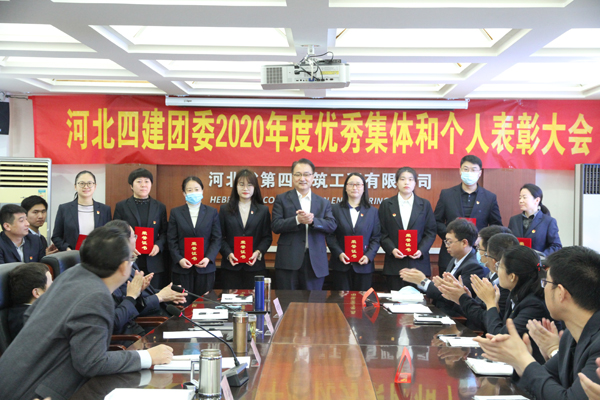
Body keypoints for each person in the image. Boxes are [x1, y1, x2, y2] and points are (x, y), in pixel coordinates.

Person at [0, 225, 173, 400]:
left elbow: (31, 316)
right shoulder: (96, 295)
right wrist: (147, 357)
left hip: (14, 381)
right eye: (131, 258)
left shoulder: (72, 274)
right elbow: (92, 363)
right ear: (123, 267)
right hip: (36, 393)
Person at [474, 246, 600, 400]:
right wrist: (520, 362)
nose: (543, 288)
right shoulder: (570, 335)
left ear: (561, 293)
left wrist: (524, 360)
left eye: (546, 282)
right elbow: (536, 387)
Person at [469, 245, 551, 362]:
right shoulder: (515, 294)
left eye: (499, 266)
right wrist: (495, 309)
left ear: (512, 276)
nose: (496, 270)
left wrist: (490, 303)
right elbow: (502, 328)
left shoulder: (534, 304)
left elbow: (500, 339)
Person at [106, 220, 187, 336]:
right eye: (134, 236)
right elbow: (129, 308)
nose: (136, 239)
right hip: (146, 327)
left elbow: (137, 298)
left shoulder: (130, 262)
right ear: (124, 241)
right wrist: (159, 297)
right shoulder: (113, 271)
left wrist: (168, 293)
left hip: (159, 318)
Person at [272, 158, 337, 290]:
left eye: (306, 174)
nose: (302, 178)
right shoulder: (282, 199)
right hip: (288, 261)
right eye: (298, 174)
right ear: (292, 177)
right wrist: (297, 220)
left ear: (313, 177)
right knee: (287, 300)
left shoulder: (323, 202)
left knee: (313, 301)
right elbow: (276, 225)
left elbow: (331, 225)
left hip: (315, 262)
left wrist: (313, 221)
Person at [434, 155, 502, 276]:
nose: (469, 173)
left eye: (473, 170)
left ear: (480, 173)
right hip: (449, 254)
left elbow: (496, 225)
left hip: (478, 255)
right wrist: (452, 238)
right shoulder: (447, 194)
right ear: (460, 171)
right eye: (466, 169)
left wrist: (482, 238)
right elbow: (436, 221)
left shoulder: (489, 197)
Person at [401, 218, 484, 317]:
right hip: (439, 311)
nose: (446, 246)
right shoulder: (454, 259)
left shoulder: (473, 266)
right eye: (446, 242)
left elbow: (451, 297)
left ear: (464, 243)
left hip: (454, 317)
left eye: (449, 242)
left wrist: (423, 281)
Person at [378, 167, 436, 290]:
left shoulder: (424, 205)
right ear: (396, 182)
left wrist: (421, 250)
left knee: (419, 300)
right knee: (394, 299)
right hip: (394, 264)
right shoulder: (387, 205)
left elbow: (430, 232)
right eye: (402, 179)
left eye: (410, 179)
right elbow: (381, 232)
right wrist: (392, 249)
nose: (406, 182)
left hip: (418, 264)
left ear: (415, 183)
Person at [114, 168, 168, 289]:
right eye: (139, 181)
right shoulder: (122, 206)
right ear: (131, 186)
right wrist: (128, 248)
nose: (143, 185)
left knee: (154, 294)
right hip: (130, 260)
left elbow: (165, 232)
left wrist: (158, 246)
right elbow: (116, 232)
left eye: (147, 181)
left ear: (151, 184)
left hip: (154, 260)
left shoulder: (160, 207)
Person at [327, 172, 381, 291]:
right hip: (341, 265)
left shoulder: (373, 212)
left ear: (364, 188)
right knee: (341, 300)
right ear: (345, 188)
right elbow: (330, 235)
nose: (354, 187)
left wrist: (368, 256)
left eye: (358, 184)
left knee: (362, 301)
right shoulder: (334, 209)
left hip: (364, 266)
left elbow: (376, 238)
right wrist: (339, 253)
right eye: (351, 184)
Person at [219, 169, 272, 290]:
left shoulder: (263, 210)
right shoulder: (225, 209)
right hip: (231, 267)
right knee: (231, 300)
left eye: (250, 184)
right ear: (236, 186)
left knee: (255, 300)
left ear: (255, 187)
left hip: (255, 266)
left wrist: (257, 253)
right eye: (241, 184)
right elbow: (219, 237)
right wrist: (228, 254)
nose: (245, 188)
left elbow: (267, 237)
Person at [168, 176, 221, 295]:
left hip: (205, 268)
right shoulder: (176, 212)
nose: (194, 193)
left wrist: (208, 258)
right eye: (189, 190)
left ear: (202, 191)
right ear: (184, 193)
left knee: (205, 303)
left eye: (197, 189)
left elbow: (217, 238)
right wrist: (179, 259)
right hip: (182, 268)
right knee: (183, 302)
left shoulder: (211, 212)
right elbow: (171, 239)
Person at [52, 170, 112, 251]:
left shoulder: (105, 210)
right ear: (75, 186)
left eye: (89, 183)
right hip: (72, 255)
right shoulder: (64, 209)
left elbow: (109, 235)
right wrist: (67, 249)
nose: (86, 186)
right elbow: (56, 237)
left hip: (97, 255)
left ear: (95, 186)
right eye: (82, 183)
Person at [508, 183, 562, 255]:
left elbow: (556, 246)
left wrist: (541, 256)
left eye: (524, 197)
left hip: (538, 261)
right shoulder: (514, 220)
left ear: (537, 200)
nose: (521, 201)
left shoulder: (548, 221)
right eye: (520, 198)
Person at [7, 262, 52, 340]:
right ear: (37, 293)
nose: (54, 286)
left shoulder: (30, 311)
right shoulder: (28, 321)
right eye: (51, 284)